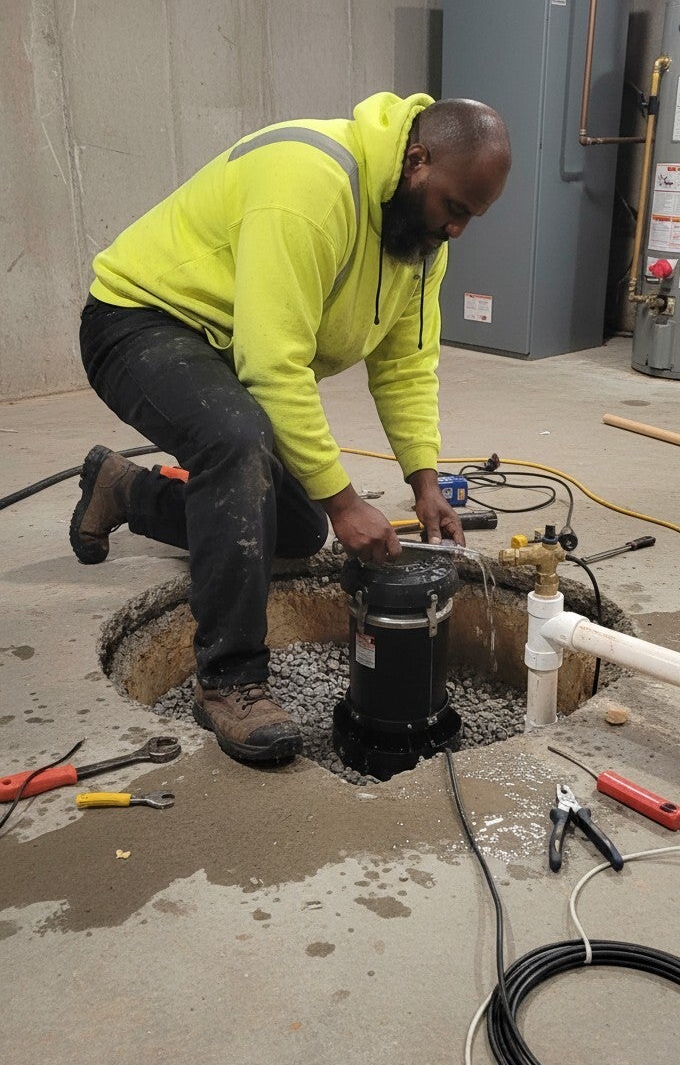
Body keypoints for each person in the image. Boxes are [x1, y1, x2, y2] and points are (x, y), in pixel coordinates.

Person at [71, 91, 510, 766]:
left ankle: (126, 491)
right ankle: (229, 681)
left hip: (228, 343)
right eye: (454, 207)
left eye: (473, 217)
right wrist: (345, 500)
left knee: (298, 530)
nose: (457, 230)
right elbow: (273, 365)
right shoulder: (311, 182)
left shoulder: (420, 241)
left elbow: (405, 367)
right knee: (236, 439)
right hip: (140, 320)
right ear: (417, 161)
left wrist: (425, 484)